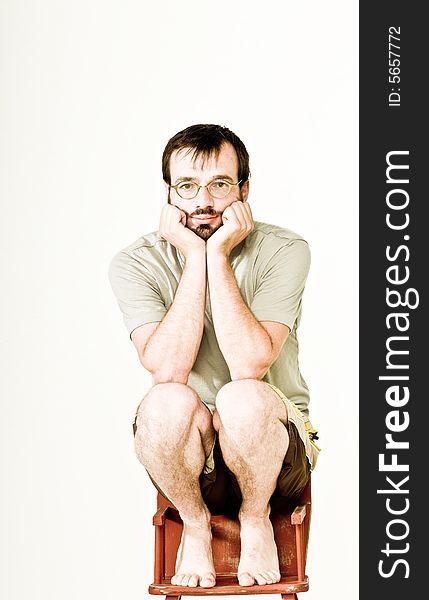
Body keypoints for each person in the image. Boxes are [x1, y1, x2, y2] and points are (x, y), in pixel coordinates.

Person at [109, 124, 320, 589]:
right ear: (169, 195)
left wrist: (218, 256)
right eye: (187, 186)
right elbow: (167, 369)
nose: (202, 200)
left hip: (272, 449)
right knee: (164, 400)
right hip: (188, 457)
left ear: (244, 190)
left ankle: (256, 517)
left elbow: (250, 365)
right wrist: (192, 258)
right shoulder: (135, 262)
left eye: (220, 185)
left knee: (242, 394)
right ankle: (196, 525)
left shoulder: (285, 250)